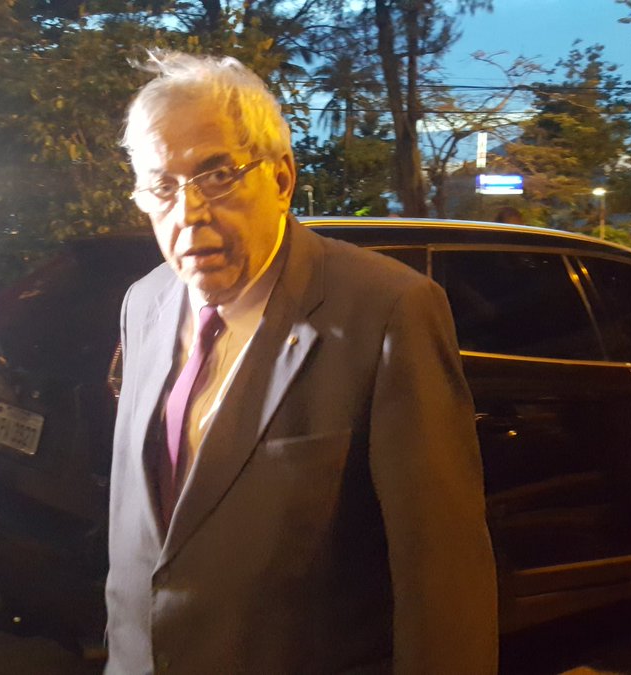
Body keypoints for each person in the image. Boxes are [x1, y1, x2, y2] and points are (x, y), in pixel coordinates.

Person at [105, 51, 497, 673]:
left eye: (217, 175)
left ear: (282, 179)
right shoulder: (144, 302)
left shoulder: (387, 310)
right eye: (162, 187)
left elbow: (443, 581)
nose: (189, 212)